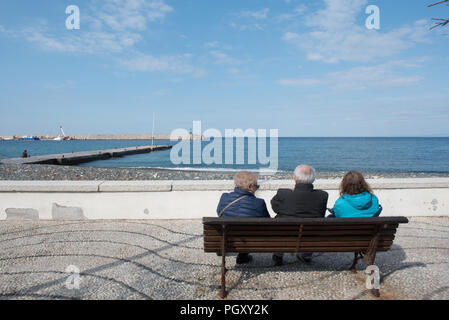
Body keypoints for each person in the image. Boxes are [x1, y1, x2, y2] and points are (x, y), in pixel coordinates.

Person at [271, 165, 328, 266]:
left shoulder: (283, 194)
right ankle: (306, 256)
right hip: (309, 235)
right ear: (313, 179)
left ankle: (278, 255)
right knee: (313, 227)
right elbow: (321, 214)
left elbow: (275, 208)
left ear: (295, 178)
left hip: (286, 233)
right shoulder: (322, 196)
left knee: (280, 223)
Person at [217, 171, 270, 264]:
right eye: (256, 186)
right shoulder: (259, 203)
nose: (257, 189)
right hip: (251, 240)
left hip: (228, 238)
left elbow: (219, 212)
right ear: (250, 187)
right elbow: (268, 222)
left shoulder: (224, 197)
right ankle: (243, 255)